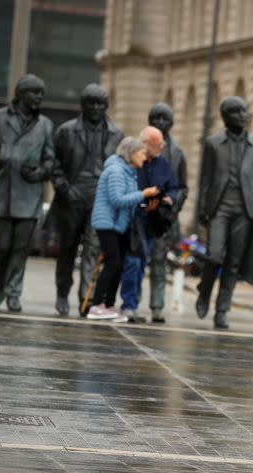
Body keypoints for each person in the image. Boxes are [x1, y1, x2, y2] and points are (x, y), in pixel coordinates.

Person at [0, 74, 55, 312]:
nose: (39, 97)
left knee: (21, 248)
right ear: (21, 94)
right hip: (1, 194)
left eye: (41, 93)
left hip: (29, 195)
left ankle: (14, 292)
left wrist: (40, 173)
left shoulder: (45, 125)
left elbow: (51, 161)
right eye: (34, 92)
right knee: (2, 248)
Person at [195, 96, 253, 329]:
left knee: (233, 263)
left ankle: (222, 310)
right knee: (214, 256)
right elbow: (204, 180)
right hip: (219, 208)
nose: (243, 115)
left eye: (244, 111)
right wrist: (202, 209)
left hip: (245, 212)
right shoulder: (212, 143)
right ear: (225, 117)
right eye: (237, 112)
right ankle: (204, 291)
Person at [50, 84, 124, 316]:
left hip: (99, 200)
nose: (95, 107)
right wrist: (64, 188)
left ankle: (86, 298)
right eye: (91, 102)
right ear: (83, 105)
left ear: (106, 106)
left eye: (100, 103)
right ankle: (63, 293)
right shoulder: (66, 131)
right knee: (68, 249)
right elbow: (53, 164)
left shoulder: (116, 134)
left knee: (93, 249)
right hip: (72, 196)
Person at [87, 137, 159, 321]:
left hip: (118, 224)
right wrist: (143, 194)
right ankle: (96, 305)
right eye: (142, 153)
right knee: (113, 264)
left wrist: (144, 205)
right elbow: (118, 199)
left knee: (118, 266)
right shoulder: (116, 171)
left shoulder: (129, 171)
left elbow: (128, 200)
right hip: (107, 223)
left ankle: (109, 305)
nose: (145, 158)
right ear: (131, 153)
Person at [119, 126, 177, 322]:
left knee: (142, 263)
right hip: (133, 220)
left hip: (153, 222)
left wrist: (169, 199)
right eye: (156, 143)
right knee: (132, 263)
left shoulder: (163, 164)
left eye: (162, 143)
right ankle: (128, 305)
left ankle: (133, 305)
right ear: (145, 143)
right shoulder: (133, 161)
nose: (161, 146)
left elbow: (173, 188)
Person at [146, 102, 188, 323]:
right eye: (156, 118)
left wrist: (173, 207)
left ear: (172, 123)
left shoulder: (178, 153)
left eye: (165, 119)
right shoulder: (139, 147)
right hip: (141, 212)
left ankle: (157, 305)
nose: (160, 122)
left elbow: (183, 187)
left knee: (159, 261)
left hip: (164, 216)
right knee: (133, 260)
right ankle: (127, 303)